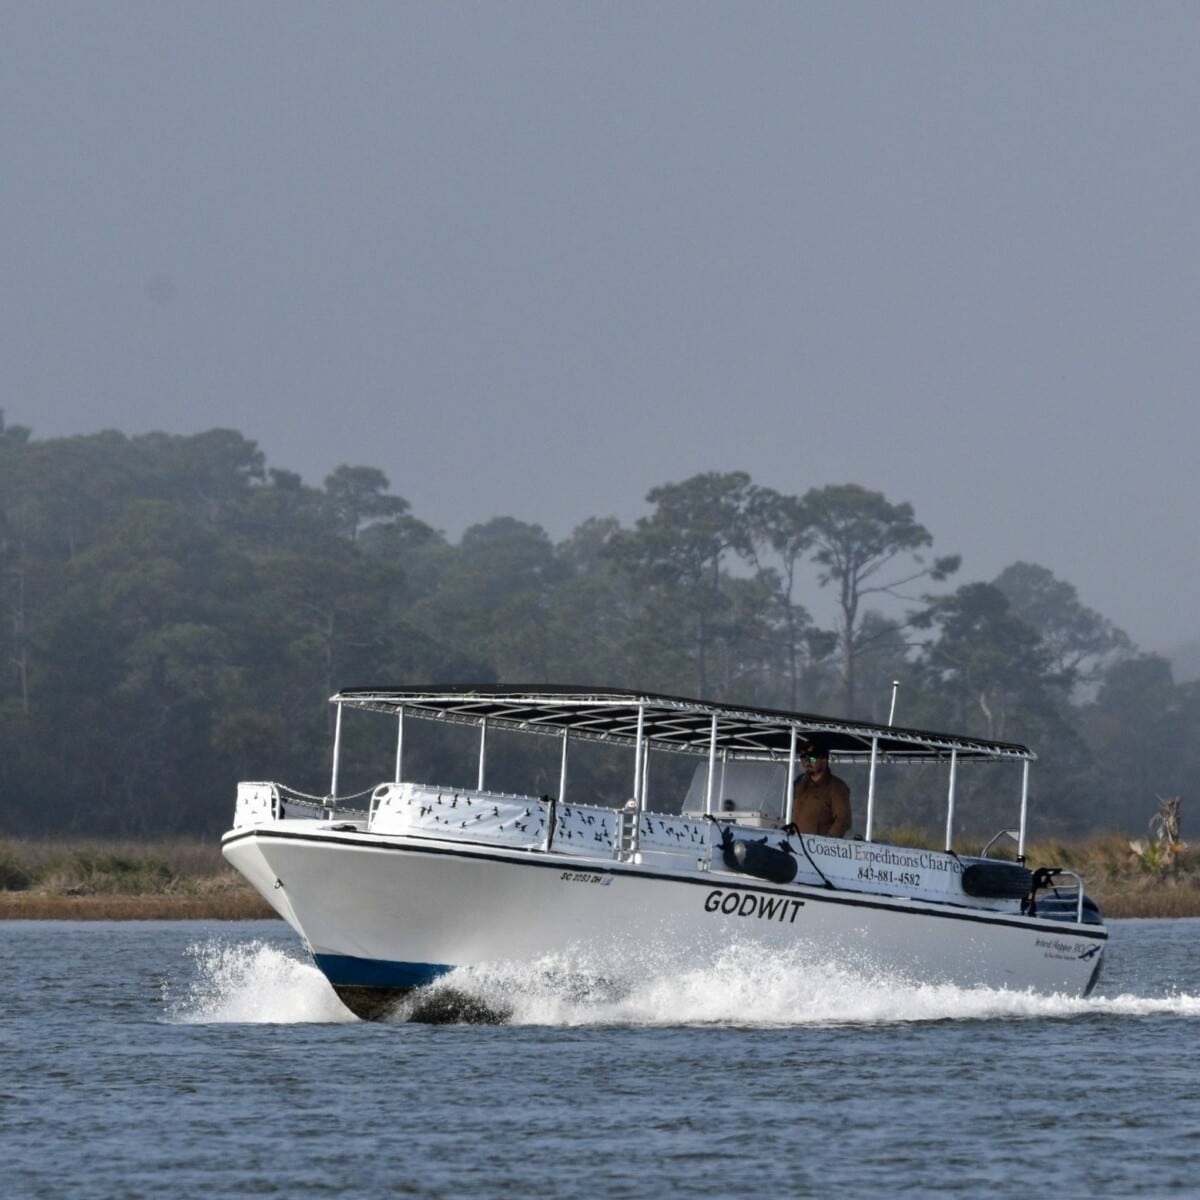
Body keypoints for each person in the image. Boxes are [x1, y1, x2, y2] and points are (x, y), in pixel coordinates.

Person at [786, 741, 852, 838]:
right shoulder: (799, 784)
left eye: (811, 758)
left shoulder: (836, 787)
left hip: (817, 849)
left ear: (824, 762)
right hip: (795, 845)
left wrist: (826, 842)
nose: (807, 762)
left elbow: (843, 820)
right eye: (803, 758)